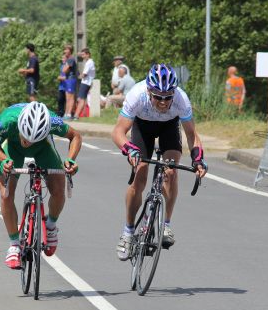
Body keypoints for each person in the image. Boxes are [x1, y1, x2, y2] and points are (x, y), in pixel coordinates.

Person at [111, 64, 207, 260]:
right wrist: (130, 149)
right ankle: (128, 232)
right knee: (141, 173)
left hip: (168, 127)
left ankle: (166, 225)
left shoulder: (181, 99)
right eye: (158, 97)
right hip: (142, 127)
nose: (163, 102)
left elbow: (191, 135)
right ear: (149, 91)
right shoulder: (136, 95)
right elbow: (118, 132)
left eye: (167, 97)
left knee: (171, 171)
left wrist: (198, 159)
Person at [0, 101, 82, 268]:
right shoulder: (7, 121)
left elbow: (75, 136)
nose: (28, 142)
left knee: (58, 189)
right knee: (6, 194)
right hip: (12, 149)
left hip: (43, 148)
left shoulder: (53, 121)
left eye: (33, 139)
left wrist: (71, 159)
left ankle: (51, 226)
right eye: (26, 137)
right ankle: (14, 244)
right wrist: (4, 160)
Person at [73, 47, 95, 120]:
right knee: (82, 99)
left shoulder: (89, 63)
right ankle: (81, 114)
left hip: (86, 83)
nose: (82, 56)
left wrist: (78, 76)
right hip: (86, 83)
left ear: (88, 54)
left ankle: (76, 115)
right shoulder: (89, 62)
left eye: (83, 55)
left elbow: (84, 74)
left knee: (81, 99)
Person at [60, 44, 78, 120]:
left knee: (70, 97)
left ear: (70, 51)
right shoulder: (68, 59)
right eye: (64, 50)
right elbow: (64, 70)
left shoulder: (71, 59)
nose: (65, 51)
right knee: (67, 98)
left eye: (67, 50)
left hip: (71, 79)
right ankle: (66, 113)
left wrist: (65, 67)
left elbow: (64, 70)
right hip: (68, 79)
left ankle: (69, 114)